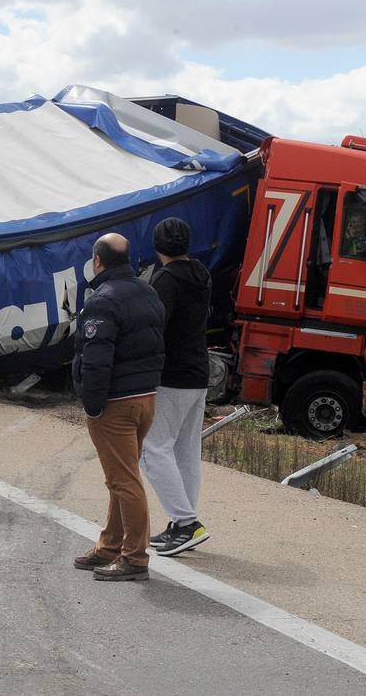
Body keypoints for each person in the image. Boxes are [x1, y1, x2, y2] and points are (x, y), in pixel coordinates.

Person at [71, 233, 164, 581]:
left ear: (98, 260)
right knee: (120, 478)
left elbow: (96, 361)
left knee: (124, 481)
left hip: (116, 403)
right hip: (145, 398)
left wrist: (93, 406)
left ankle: (135, 557)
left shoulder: (102, 300)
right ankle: (110, 546)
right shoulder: (149, 291)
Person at [141, 218, 212, 556]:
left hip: (171, 375)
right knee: (185, 452)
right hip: (198, 372)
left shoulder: (165, 279)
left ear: (157, 247)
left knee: (153, 449)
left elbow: (157, 326)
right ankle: (185, 522)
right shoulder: (201, 273)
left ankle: (186, 523)